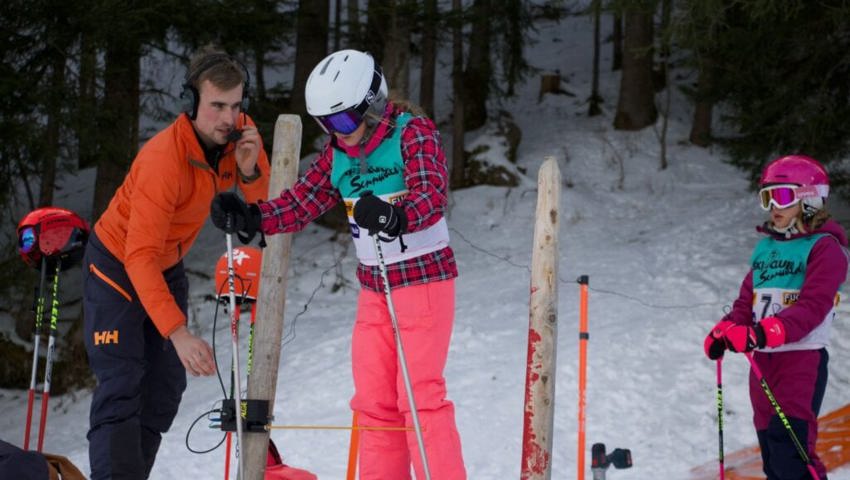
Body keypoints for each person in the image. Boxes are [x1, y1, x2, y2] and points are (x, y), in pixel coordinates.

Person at [211, 49, 467, 479]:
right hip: (374, 291)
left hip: (422, 282)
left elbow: (431, 193)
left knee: (419, 398)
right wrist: (253, 217)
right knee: (373, 402)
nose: (338, 133)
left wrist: (394, 216)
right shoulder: (338, 154)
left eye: (344, 121)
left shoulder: (411, 132)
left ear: (374, 103)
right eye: (326, 125)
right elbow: (302, 201)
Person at [82, 46, 270, 479]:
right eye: (217, 105)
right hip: (115, 265)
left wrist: (249, 173)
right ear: (190, 104)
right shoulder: (162, 159)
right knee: (121, 384)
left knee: (164, 389)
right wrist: (179, 333)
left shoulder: (241, 136)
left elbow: (267, 217)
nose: (228, 117)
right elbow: (138, 255)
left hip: (165, 265)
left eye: (237, 105)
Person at [703, 154, 847, 480]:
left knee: (791, 453)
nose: (773, 207)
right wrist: (726, 331)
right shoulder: (766, 249)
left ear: (810, 199)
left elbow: (812, 308)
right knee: (771, 454)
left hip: (800, 362)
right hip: (763, 363)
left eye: (781, 196)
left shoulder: (826, 248)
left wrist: (761, 334)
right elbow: (746, 302)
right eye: (767, 197)